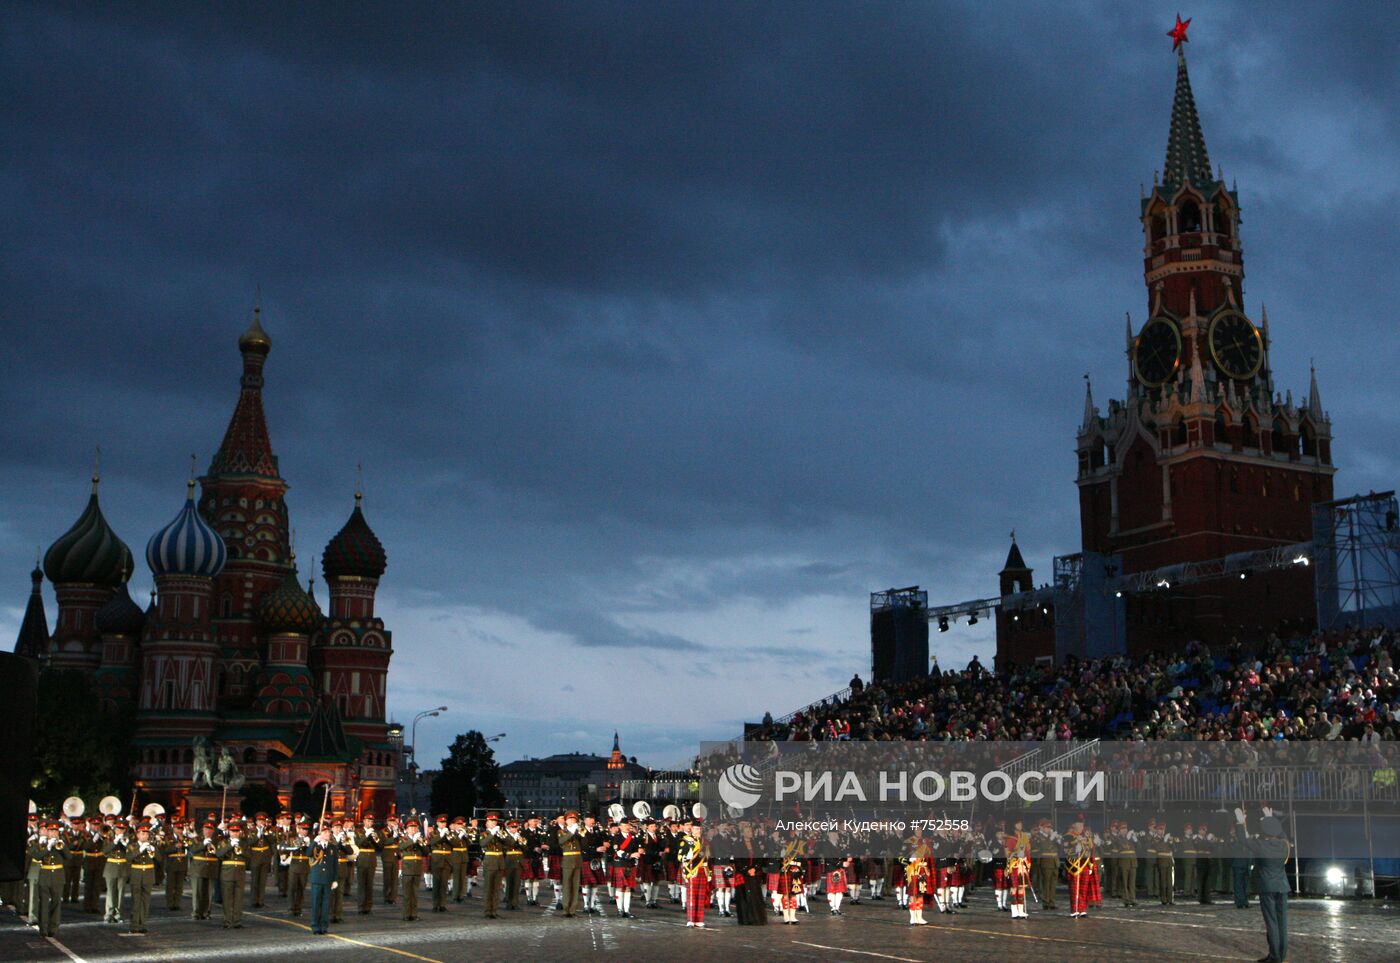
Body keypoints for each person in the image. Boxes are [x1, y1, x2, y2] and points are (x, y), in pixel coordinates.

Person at [1236, 807, 1291, 963]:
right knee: (1282, 923)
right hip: (1282, 886)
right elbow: (1283, 836)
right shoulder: (1283, 845)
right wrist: (1271, 818)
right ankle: (1280, 954)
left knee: (1272, 923)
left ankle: (1275, 957)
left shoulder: (1261, 845)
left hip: (1267, 887)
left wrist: (1241, 822)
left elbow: (1243, 840)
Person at [30, 821, 67, 937]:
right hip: (45, 875)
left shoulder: (61, 843)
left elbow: (69, 856)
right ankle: (43, 928)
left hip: (58, 876)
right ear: (47, 832)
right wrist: (48, 847)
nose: (53, 833)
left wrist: (62, 846)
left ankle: (53, 928)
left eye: (55, 831)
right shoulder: (41, 843)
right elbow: (36, 856)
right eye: (51, 831)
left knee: (56, 902)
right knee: (44, 903)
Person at [126, 822, 159, 935]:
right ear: (137, 835)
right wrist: (139, 850)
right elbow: (128, 858)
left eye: (146, 834)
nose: (145, 836)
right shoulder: (132, 846)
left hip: (148, 876)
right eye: (143, 833)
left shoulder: (152, 845)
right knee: (136, 902)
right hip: (136, 875)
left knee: (146, 902)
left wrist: (153, 851)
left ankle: (143, 924)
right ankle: (134, 925)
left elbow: (159, 859)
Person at [678, 819, 710, 928]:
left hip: (702, 870)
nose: (698, 831)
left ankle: (699, 919)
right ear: (692, 829)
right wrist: (688, 857)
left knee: (701, 896)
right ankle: (691, 919)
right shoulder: (686, 840)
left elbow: (708, 857)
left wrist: (709, 871)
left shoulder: (705, 841)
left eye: (700, 829)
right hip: (692, 871)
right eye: (696, 828)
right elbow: (680, 856)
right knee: (692, 896)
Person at [307, 826, 339, 936]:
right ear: (320, 834)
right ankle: (315, 926)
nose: (327, 834)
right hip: (317, 878)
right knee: (316, 903)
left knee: (326, 904)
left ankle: (324, 926)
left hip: (328, 879)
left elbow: (335, 864)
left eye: (328, 833)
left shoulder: (332, 847)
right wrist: (314, 842)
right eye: (324, 832)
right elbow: (308, 853)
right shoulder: (316, 845)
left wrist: (335, 879)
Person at [217, 821, 248, 928]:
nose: (235, 833)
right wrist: (230, 845)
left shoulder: (244, 843)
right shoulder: (224, 842)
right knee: (227, 898)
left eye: (237, 831)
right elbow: (219, 854)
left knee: (239, 898)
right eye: (233, 831)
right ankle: (227, 920)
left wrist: (241, 849)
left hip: (240, 872)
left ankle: (237, 921)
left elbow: (249, 855)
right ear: (229, 832)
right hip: (227, 872)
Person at [101, 821, 132, 924]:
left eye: (122, 829)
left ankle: (118, 915)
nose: (120, 831)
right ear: (114, 830)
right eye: (118, 829)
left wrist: (125, 844)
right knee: (110, 892)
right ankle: (108, 915)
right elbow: (104, 851)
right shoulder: (108, 839)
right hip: (111, 867)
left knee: (120, 893)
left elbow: (131, 853)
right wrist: (114, 842)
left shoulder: (128, 840)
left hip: (123, 868)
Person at [398, 821, 427, 921]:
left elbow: (426, 852)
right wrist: (412, 841)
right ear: (407, 829)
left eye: (415, 828)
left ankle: (414, 914)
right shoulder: (403, 839)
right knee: (407, 893)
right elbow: (401, 847)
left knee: (415, 893)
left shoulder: (420, 839)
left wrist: (421, 843)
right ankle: (406, 914)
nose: (413, 829)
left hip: (417, 868)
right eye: (411, 827)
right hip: (407, 868)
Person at [191, 822, 220, 920]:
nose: (208, 831)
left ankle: (206, 912)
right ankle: (196, 912)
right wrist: (203, 843)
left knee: (209, 892)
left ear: (213, 830)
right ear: (202, 829)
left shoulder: (216, 840)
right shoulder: (196, 839)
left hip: (211, 868)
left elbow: (219, 853)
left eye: (210, 829)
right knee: (197, 892)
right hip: (198, 868)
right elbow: (193, 850)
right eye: (206, 829)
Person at [557, 812, 584, 917]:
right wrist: (572, 831)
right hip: (567, 860)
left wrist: (581, 833)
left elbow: (584, 843)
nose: (572, 821)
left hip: (577, 860)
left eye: (574, 819)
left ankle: (573, 910)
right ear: (566, 821)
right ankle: (566, 909)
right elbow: (561, 841)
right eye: (570, 819)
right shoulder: (561, 832)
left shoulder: (578, 831)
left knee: (576, 886)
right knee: (567, 886)